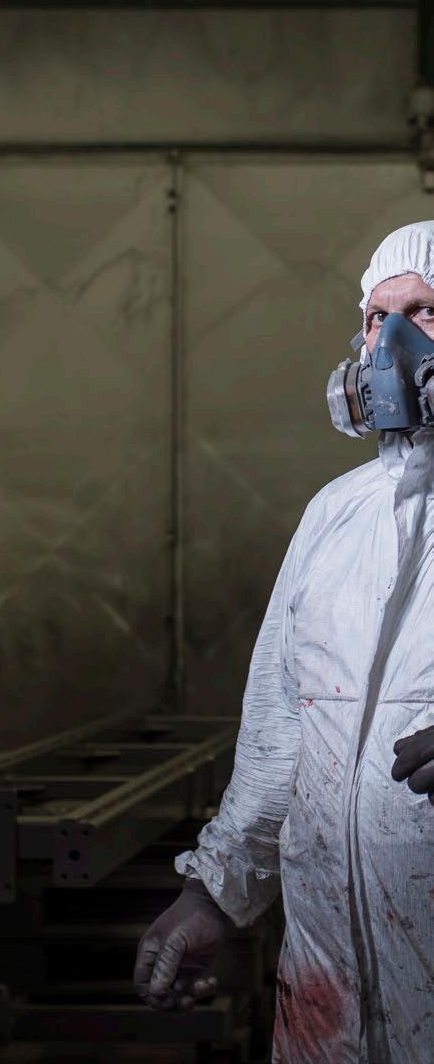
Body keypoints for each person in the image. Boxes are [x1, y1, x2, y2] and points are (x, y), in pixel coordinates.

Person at [132, 220, 434, 1063]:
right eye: (376, 317)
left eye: (425, 311)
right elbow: (279, 736)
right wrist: (212, 898)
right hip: (327, 993)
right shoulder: (333, 516)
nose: (393, 339)